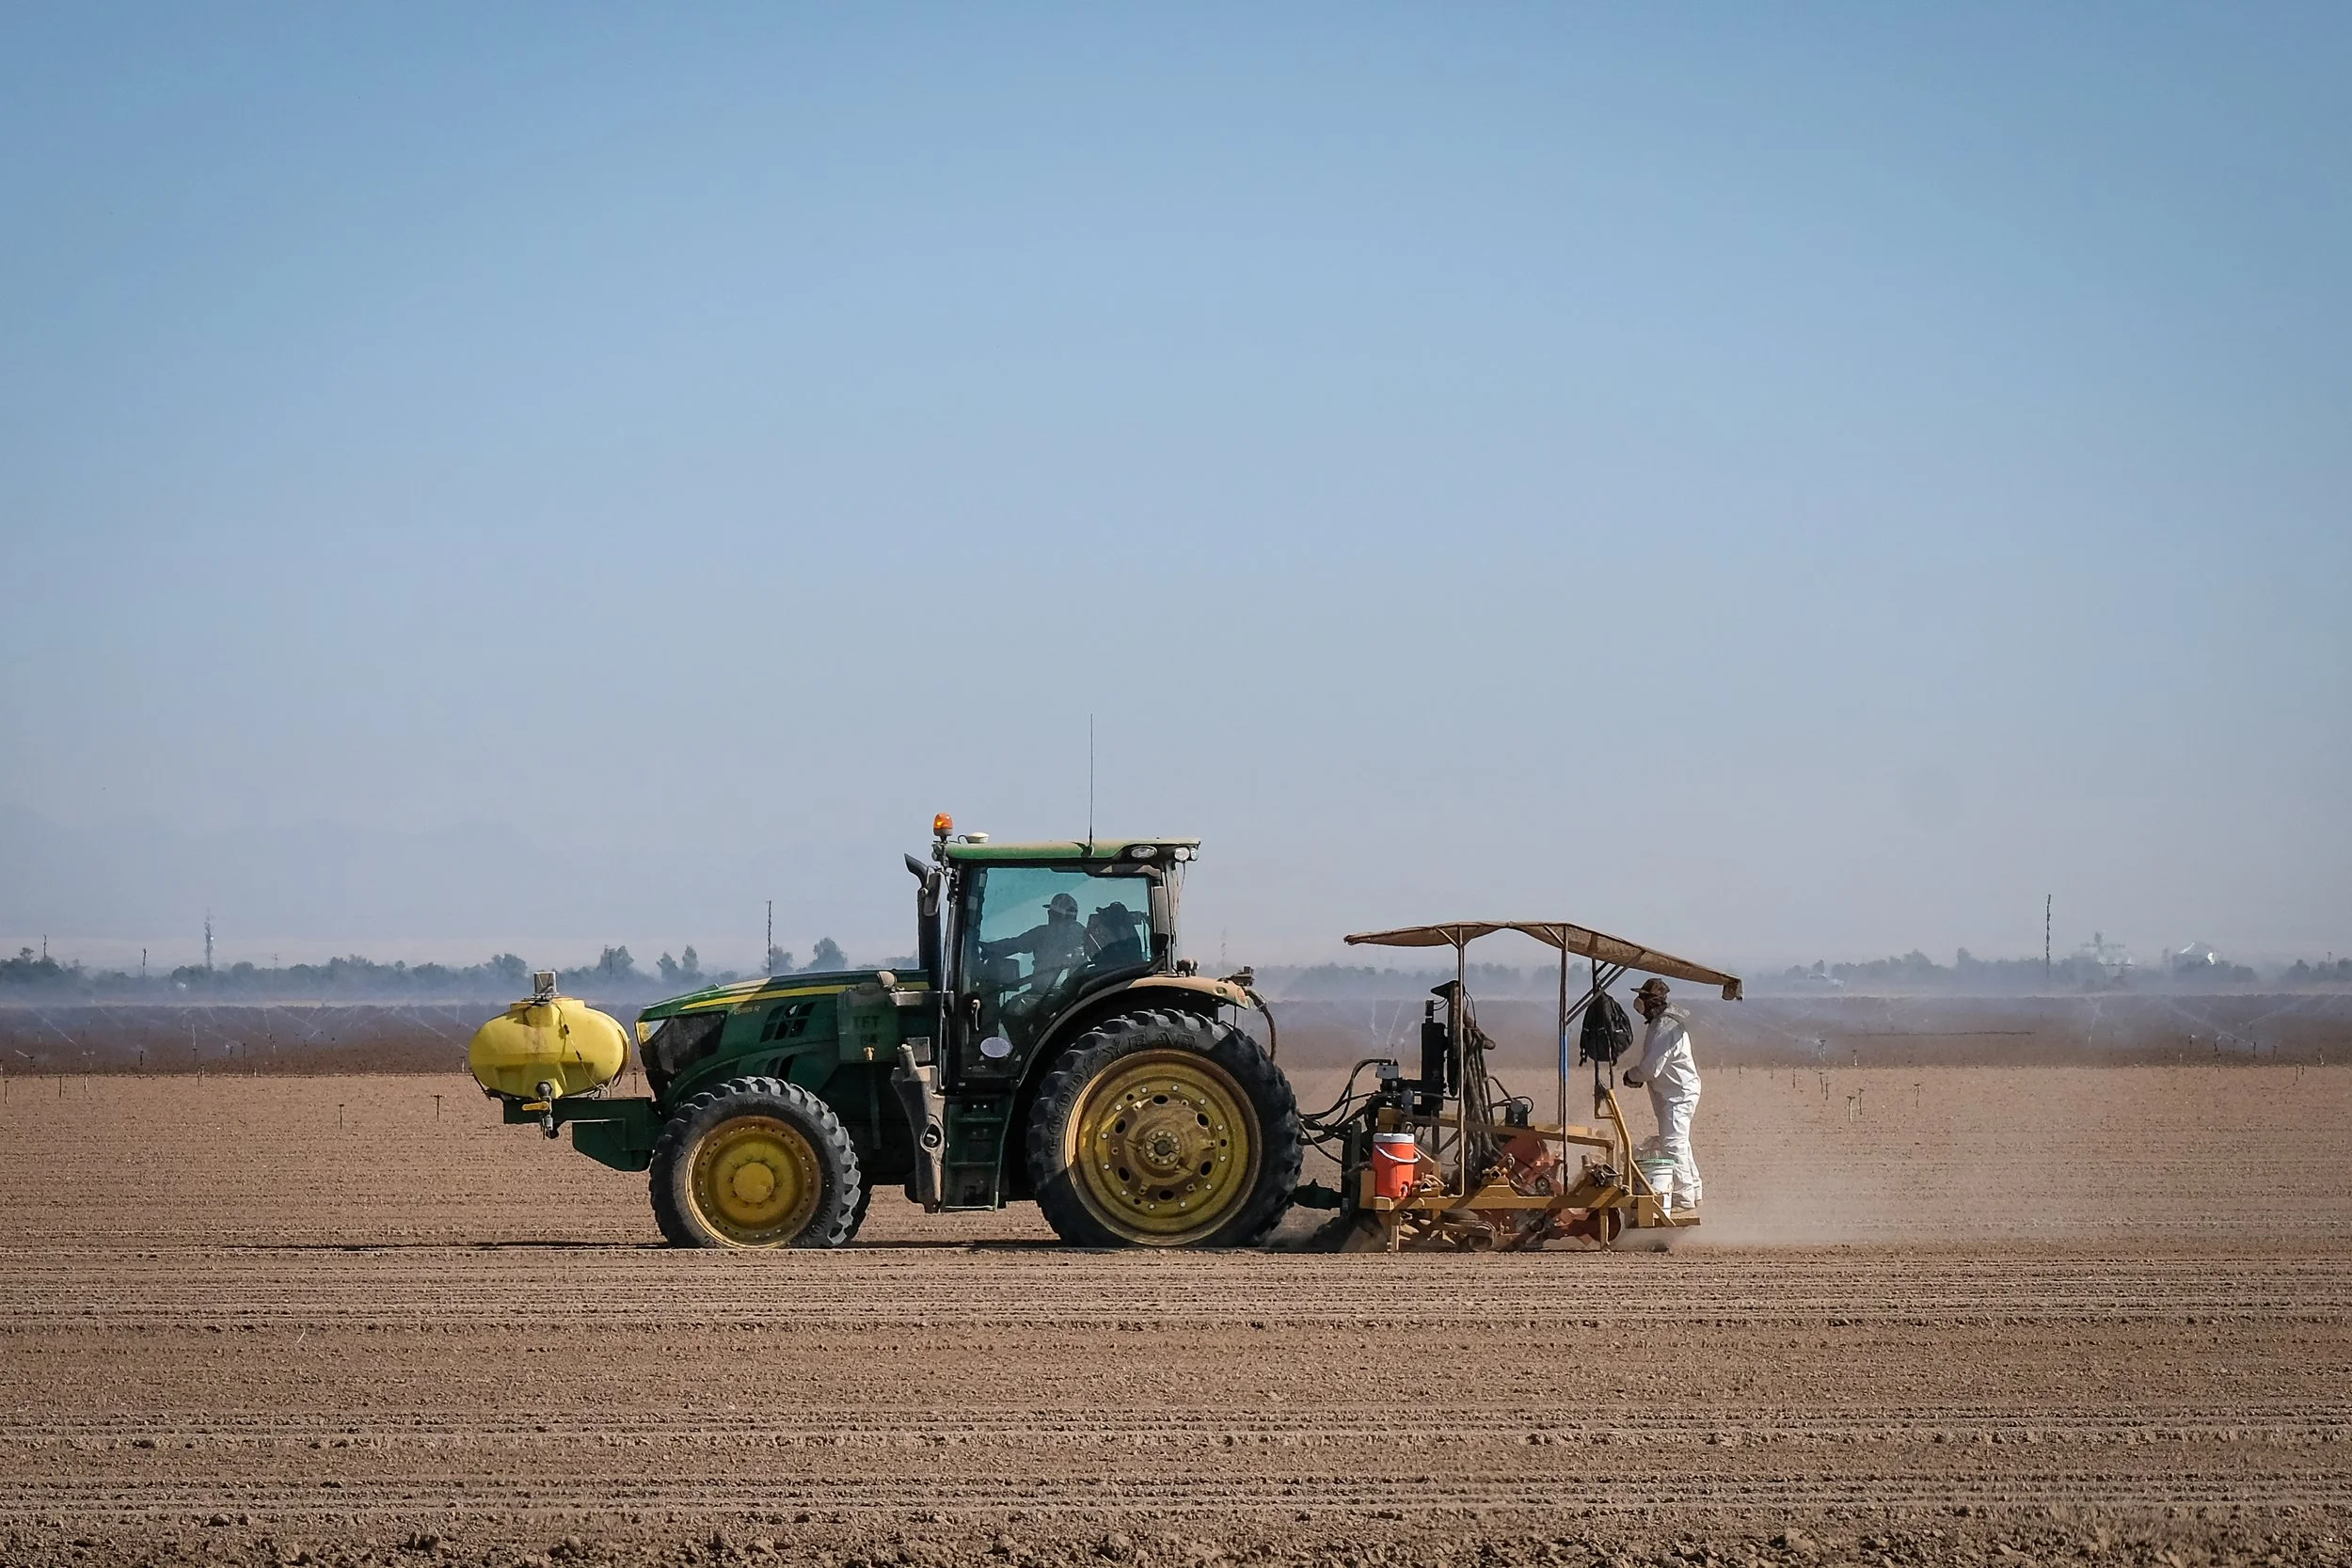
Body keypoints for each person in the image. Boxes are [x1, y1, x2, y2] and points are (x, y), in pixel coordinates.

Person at [1621, 976, 1703, 1212]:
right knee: (1680, 1142)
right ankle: (1694, 1189)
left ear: (1650, 1002)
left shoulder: (1664, 1028)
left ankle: (1684, 1195)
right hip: (1675, 1092)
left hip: (1677, 1095)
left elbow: (1650, 1068)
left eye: (1642, 1000)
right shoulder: (1664, 1024)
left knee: (1673, 1144)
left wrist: (1631, 1076)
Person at [981, 891, 1089, 1009]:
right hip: (1076, 999)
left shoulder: (1042, 933)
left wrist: (988, 948)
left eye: (1050, 912)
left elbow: (1014, 945)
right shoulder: (1086, 935)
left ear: (1052, 914)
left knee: (1010, 1010)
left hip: (1042, 997)